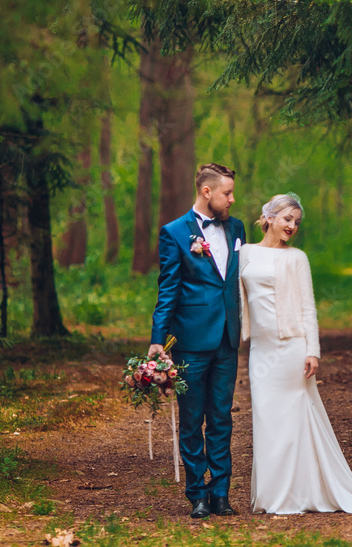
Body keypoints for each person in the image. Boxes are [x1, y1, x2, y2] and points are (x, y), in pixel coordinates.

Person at [239, 193, 352, 514]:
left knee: (293, 419)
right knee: (266, 420)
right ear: (268, 217)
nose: (292, 226)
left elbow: (308, 306)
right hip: (261, 349)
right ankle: (270, 497)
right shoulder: (245, 254)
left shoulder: (297, 258)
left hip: (292, 348)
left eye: (296, 222)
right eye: (286, 219)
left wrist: (313, 350)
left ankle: (295, 495)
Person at [148, 163, 245, 519]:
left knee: (221, 418)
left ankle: (221, 494)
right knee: (191, 421)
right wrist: (158, 340)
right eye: (227, 193)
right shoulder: (174, 233)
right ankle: (197, 494)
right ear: (207, 192)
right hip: (191, 340)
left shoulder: (237, 228)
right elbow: (168, 288)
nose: (232, 200)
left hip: (227, 339)